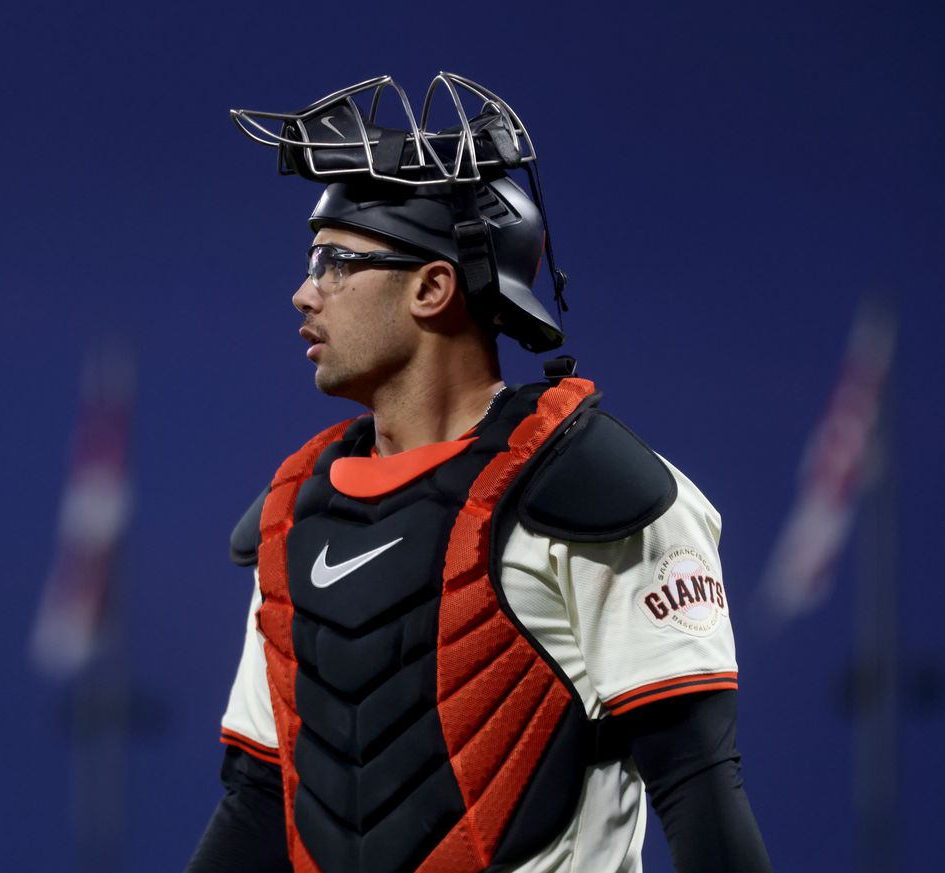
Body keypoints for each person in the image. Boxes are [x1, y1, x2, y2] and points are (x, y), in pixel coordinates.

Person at [187, 73, 771, 873]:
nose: (303, 292)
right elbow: (258, 802)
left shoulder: (597, 492)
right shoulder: (298, 511)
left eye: (334, 262)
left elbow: (699, 788)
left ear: (432, 286)